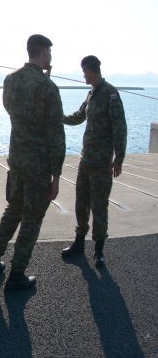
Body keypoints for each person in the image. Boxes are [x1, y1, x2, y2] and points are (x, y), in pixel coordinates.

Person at [0, 34, 65, 290]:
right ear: (42, 52)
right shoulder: (48, 88)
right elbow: (55, 133)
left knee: (13, 211)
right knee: (31, 219)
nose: (51, 56)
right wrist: (57, 176)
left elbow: (11, 109)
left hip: (17, 161)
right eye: (49, 52)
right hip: (38, 167)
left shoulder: (11, 79)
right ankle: (17, 275)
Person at [60, 55, 127, 268]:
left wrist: (119, 158)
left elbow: (120, 127)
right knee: (81, 204)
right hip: (85, 161)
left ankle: (99, 251)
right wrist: (58, 117)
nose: (83, 75)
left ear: (91, 70)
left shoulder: (110, 94)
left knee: (99, 207)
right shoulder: (91, 95)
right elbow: (79, 116)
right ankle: (79, 244)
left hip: (101, 164)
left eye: (84, 71)